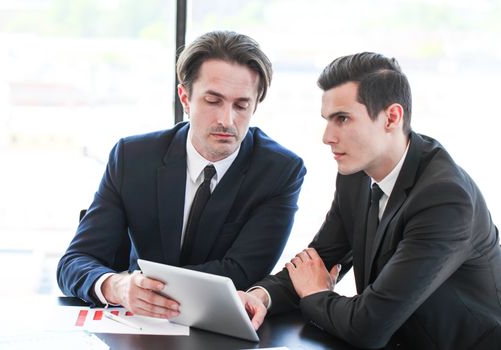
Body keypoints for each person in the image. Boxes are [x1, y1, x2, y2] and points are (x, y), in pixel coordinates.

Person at [240, 52, 501, 349]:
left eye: (343, 119)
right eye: (327, 120)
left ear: (391, 117)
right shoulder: (356, 173)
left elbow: (368, 327)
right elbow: (315, 263)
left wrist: (315, 296)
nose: (327, 136)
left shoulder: (445, 199)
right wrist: (259, 296)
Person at [57, 30, 306, 318]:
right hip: (138, 329)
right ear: (185, 98)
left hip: (222, 328)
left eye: (241, 105)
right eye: (213, 101)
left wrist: (148, 286)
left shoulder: (279, 170)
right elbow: (75, 262)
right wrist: (119, 286)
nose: (227, 120)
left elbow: (242, 272)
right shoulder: (132, 157)